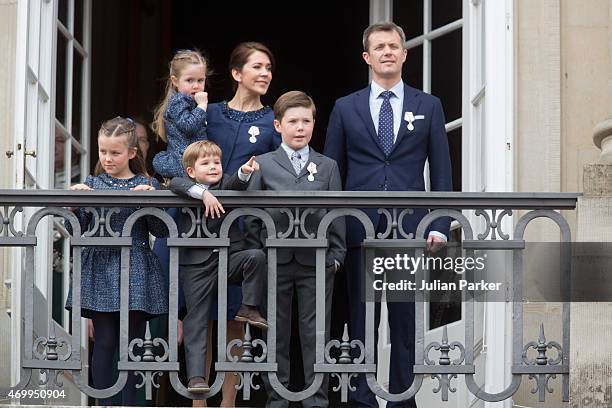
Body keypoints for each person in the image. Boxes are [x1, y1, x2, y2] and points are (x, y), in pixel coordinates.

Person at [324, 21, 453, 408]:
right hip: (358, 226)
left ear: (404, 53)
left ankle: (402, 400)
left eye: (393, 46)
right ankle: (361, 398)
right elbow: (332, 171)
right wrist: (332, 229)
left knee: (403, 319)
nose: (387, 52)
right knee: (360, 319)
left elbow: (442, 171)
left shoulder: (427, 105)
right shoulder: (345, 107)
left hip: (408, 225)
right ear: (367, 56)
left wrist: (441, 224)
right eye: (379, 46)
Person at [246, 91, 346, 408]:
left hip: (316, 261)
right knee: (275, 333)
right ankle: (277, 399)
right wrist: (258, 255)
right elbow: (250, 217)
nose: (300, 127)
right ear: (278, 125)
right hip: (274, 259)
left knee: (315, 333)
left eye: (306, 121)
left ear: (314, 124)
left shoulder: (327, 166)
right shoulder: (262, 165)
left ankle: (317, 400)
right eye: (293, 121)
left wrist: (336, 258)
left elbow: (337, 214)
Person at [65, 116, 168, 406]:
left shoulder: (146, 184)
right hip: (99, 269)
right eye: (103, 151)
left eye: (115, 152)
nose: (108, 158)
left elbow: (160, 232)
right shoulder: (92, 183)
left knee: (130, 344)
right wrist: (75, 205)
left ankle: (129, 404)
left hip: (135, 268)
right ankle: (105, 403)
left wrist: (152, 202)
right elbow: (80, 227)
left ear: (132, 153)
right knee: (106, 342)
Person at [202, 41, 281, 407]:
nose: (265, 73)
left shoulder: (272, 120)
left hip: (247, 227)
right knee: (203, 317)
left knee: (236, 315)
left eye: (268, 68)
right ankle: (198, 401)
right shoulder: (210, 113)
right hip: (202, 222)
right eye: (257, 67)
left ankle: (228, 402)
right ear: (237, 74)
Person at [168, 140, 268, 394]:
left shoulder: (225, 183)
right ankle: (196, 377)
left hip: (228, 258)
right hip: (197, 265)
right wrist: (203, 193)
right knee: (197, 319)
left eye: (217, 162)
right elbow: (175, 184)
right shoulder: (185, 184)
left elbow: (237, 183)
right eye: (206, 163)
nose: (213, 167)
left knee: (255, 257)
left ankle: (249, 308)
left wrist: (244, 172)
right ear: (191, 171)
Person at [152, 49, 209, 179]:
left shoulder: (191, 102)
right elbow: (188, 127)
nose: (196, 86)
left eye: (200, 80)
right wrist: (201, 107)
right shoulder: (178, 101)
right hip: (182, 162)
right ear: (175, 81)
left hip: (194, 160)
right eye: (189, 80)